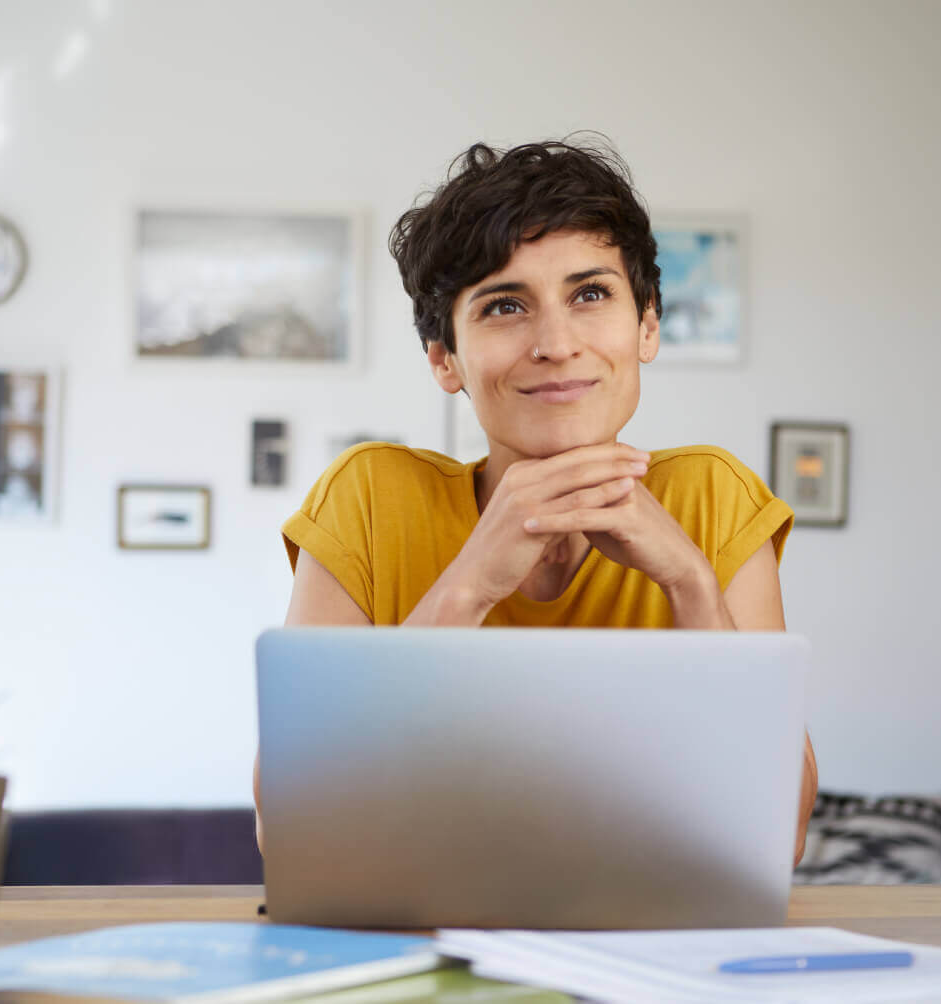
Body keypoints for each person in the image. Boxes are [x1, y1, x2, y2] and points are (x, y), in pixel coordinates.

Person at [255, 137, 818, 864]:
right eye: (504, 306)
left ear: (646, 325)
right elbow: (292, 828)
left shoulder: (713, 498)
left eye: (590, 295)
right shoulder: (368, 498)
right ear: (444, 357)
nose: (556, 343)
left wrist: (691, 584)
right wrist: (469, 586)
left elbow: (781, 835)